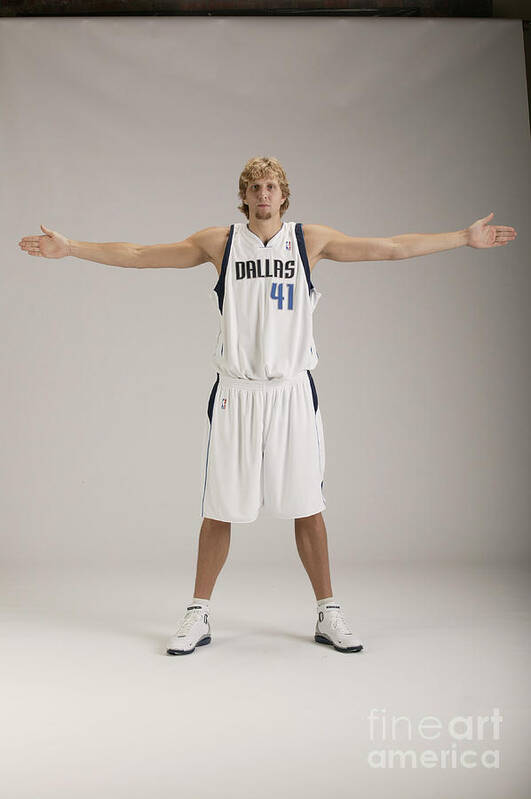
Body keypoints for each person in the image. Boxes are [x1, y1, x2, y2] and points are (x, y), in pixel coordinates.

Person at [18, 156, 517, 656]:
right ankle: (197, 612)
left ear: (284, 195)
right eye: (255, 187)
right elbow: (139, 253)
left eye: (271, 187)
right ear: (244, 195)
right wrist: (72, 248)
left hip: (291, 391)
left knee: (308, 505)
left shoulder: (308, 241)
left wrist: (461, 237)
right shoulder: (221, 242)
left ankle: (328, 611)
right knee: (219, 509)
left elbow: (388, 248)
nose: (263, 195)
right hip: (237, 392)